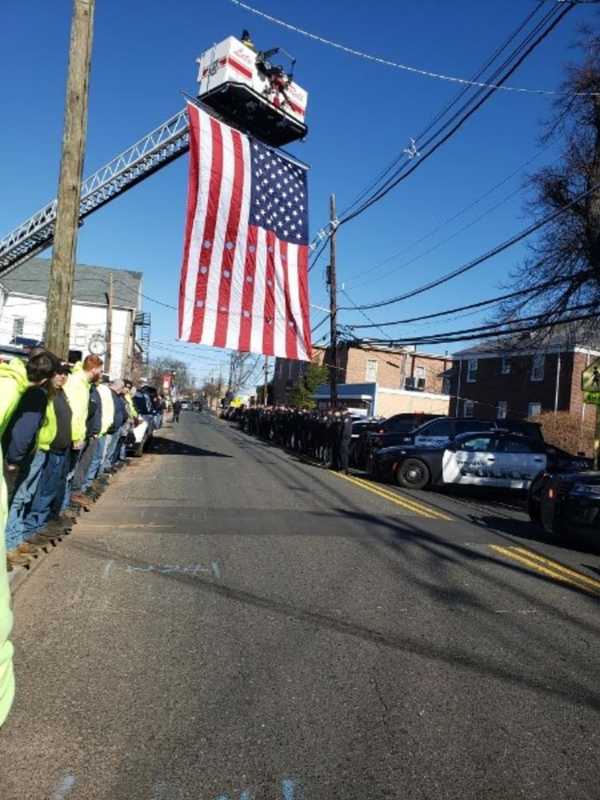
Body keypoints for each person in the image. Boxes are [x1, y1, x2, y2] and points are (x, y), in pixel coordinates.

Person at [0, 350, 59, 728]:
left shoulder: (25, 388)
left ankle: (18, 538)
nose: (62, 380)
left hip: (46, 451)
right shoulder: (24, 390)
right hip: (27, 456)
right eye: (59, 374)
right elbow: (22, 431)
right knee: (23, 499)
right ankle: (16, 540)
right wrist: (14, 458)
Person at [339, 410, 354, 475]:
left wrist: (343, 437)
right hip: (344, 438)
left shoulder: (347, 418)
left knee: (344, 454)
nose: (341, 413)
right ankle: (344, 468)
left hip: (345, 438)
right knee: (343, 453)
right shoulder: (345, 417)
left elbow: (346, 429)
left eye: (341, 411)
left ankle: (345, 469)